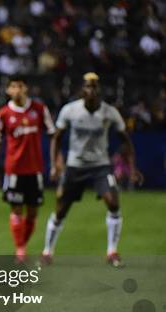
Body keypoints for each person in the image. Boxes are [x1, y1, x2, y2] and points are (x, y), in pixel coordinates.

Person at [41, 73, 143, 267]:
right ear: (82, 89)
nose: (91, 90)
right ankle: (47, 251)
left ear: (99, 90)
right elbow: (56, 138)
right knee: (61, 210)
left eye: (95, 87)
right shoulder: (70, 110)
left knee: (113, 203)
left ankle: (112, 251)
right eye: (88, 86)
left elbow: (126, 140)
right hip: (74, 166)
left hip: (100, 166)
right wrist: (55, 163)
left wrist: (132, 167)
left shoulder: (109, 112)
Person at [0, 75, 55, 262]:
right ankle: (20, 249)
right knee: (17, 209)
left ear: (26, 88)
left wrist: (57, 161)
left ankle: (21, 244)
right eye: (13, 86)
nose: (16, 89)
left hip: (35, 170)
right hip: (14, 170)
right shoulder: (2, 114)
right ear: (9, 90)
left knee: (33, 211)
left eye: (20, 86)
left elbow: (53, 135)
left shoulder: (40, 110)